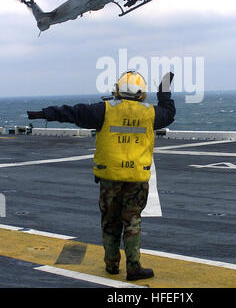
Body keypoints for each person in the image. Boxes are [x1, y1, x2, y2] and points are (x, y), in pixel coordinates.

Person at [27, 70, 175, 281]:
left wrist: (44, 113)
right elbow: (168, 114)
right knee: (132, 220)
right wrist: (165, 90)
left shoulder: (104, 110)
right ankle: (134, 267)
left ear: (118, 89)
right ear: (142, 93)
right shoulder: (150, 113)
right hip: (136, 179)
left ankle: (112, 264)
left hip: (110, 178)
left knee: (110, 221)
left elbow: (72, 113)